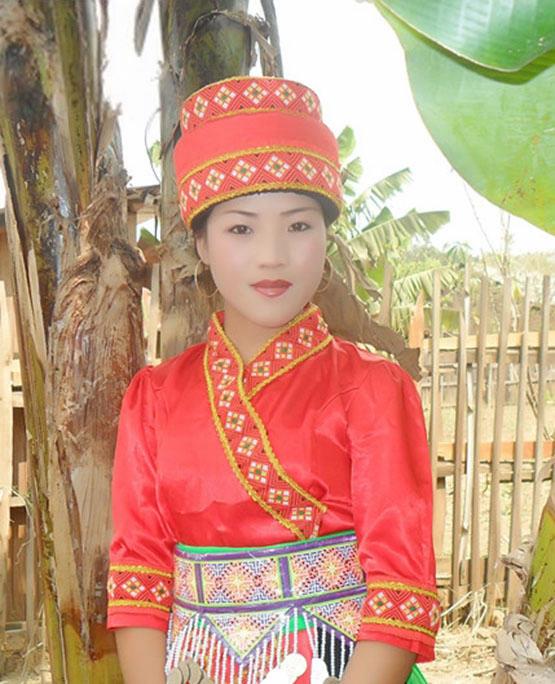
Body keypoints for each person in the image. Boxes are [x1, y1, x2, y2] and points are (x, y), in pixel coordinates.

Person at [106, 76, 439, 684]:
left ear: (327, 235)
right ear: (201, 243)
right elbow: (139, 578)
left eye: (298, 226)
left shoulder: (374, 389)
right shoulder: (153, 398)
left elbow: (401, 588)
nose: (272, 255)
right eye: (240, 228)